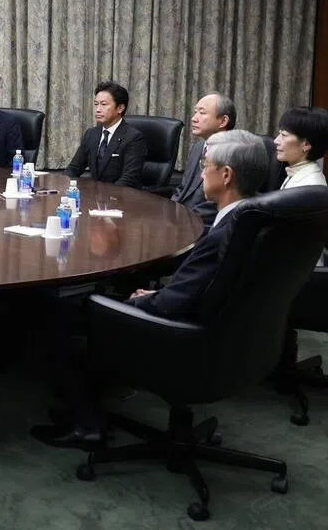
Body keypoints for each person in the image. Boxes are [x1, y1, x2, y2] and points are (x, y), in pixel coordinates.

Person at [32, 129, 269, 447]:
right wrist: (156, 294)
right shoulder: (247, 220)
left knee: (60, 310)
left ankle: (87, 423)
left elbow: (174, 303)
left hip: (182, 335)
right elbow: (197, 289)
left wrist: (133, 304)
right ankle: (80, 400)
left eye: (205, 165)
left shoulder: (222, 234)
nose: (199, 172)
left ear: (226, 175)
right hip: (216, 332)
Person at [64, 80, 147, 188]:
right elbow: (74, 169)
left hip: (121, 199)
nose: (98, 110)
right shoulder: (91, 134)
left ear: (120, 108)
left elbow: (129, 179)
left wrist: (106, 197)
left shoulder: (133, 138)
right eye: (96, 104)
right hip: (95, 199)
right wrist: (62, 186)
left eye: (103, 104)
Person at [170, 93, 236, 226]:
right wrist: (169, 211)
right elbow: (183, 188)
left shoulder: (233, 153)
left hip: (203, 225)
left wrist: (182, 218)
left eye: (202, 113)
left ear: (223, 121)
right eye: (195, 112)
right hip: (181, 220)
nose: (194, 118)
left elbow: (218, 203)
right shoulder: (198, 147)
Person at [275, 106, 328, 189]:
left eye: (284, 135)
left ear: (306, 144)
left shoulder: (310, 186)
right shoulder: (297, 171)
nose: (276, 141)